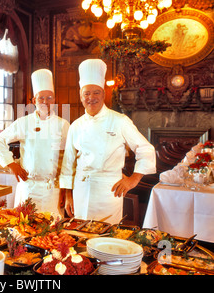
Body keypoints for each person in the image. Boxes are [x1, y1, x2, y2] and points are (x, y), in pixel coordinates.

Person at [59, 59, 156, 224]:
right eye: (86, 93)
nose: (91, 97)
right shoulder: (76, 125)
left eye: (96, 92)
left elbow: (145, 149)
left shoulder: (119, 121)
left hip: (109, 190)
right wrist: (68, 195)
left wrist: (133, 179)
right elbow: (68, 163)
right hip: (81, 190)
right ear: (80, 96)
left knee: (107, 237)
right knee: (80, 234)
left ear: (104, 94)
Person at [0, 69, 70, 216]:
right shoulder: (24, 122)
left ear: (54, 100)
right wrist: (11, 164)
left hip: (52, 189)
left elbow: (69, 157)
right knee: (23, 228)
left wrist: (65, 189)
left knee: (51, 232)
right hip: (28, 187)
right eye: (41, 98)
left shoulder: (63, 125)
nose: (45, 102)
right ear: (34, 101)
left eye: (49, 98)